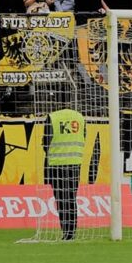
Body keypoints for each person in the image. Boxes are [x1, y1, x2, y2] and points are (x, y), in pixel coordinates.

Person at [44, 102, 86, 241]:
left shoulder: (53, 117)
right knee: (71, 198)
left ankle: (65, 231)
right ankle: (72, 231)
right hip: (75, 163)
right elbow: (83, 137)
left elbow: (46, 142)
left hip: (56, 164)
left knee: (61, 199)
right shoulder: (79, 117)